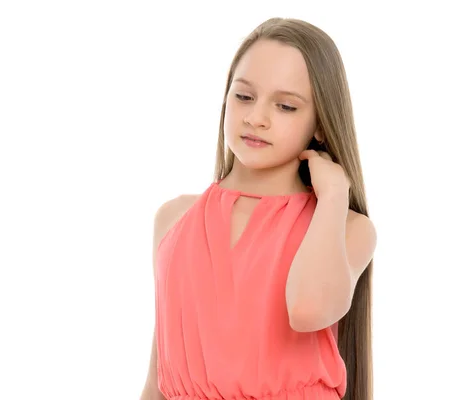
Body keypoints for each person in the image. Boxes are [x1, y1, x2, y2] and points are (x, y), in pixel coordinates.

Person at [140, 17, 377, 400]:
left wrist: (333, 196)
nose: (256, 118)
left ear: (320, 124)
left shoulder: (347, 227)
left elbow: (309, 309)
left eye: (285, 106)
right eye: (244, 96)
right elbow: (159, 377)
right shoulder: (174, 219)